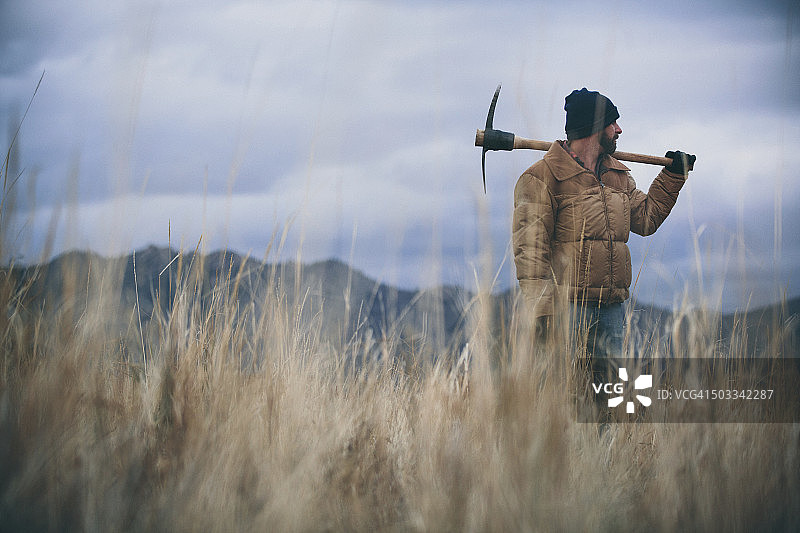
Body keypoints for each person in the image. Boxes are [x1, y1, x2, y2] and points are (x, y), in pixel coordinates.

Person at [512, 88, 694, 371]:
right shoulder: (542, 178)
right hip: (566, 311)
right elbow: (530, 253)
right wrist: (543, 313)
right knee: (565, 390)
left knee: (607, 393)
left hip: (611, 310)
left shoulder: (617, 176)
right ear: (594, 127)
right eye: (612, 123)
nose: (619, 129)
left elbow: (646, 219)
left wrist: (673, 176)